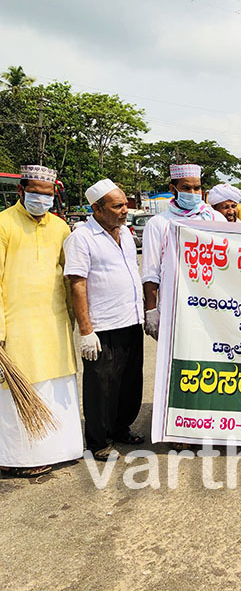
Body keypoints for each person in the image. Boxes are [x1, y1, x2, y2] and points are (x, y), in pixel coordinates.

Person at [0, 165, 82, 478]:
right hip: (15, 324)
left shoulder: (61, 228)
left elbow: (69, 276)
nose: (41, 199)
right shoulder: (3, 224)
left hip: (55, 322)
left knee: (58, 383)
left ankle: (63, 450)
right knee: (17, 387)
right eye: (35, 193)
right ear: (21, 192)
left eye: (47, 195)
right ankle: (17, 457)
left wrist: (75, 319)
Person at [64, 179, 144, 461]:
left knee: (129, 382)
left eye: (125, 204)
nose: (125, 210)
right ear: (97, 208)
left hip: (131, 321)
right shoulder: (82, 238)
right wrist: (86, 330)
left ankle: (121, 427)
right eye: (118, 206)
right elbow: (77, 283)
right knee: (102, 387)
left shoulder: (124, 233)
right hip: (103, 326)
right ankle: (98, 441)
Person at [142, 164, 224, 340]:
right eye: (186, 188)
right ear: (173, 189)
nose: (193, 193)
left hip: (212, 306)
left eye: (197, 187)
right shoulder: (159, 224)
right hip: (175, 308)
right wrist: (151, 310)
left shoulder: (215, 219)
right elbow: (151, 272)